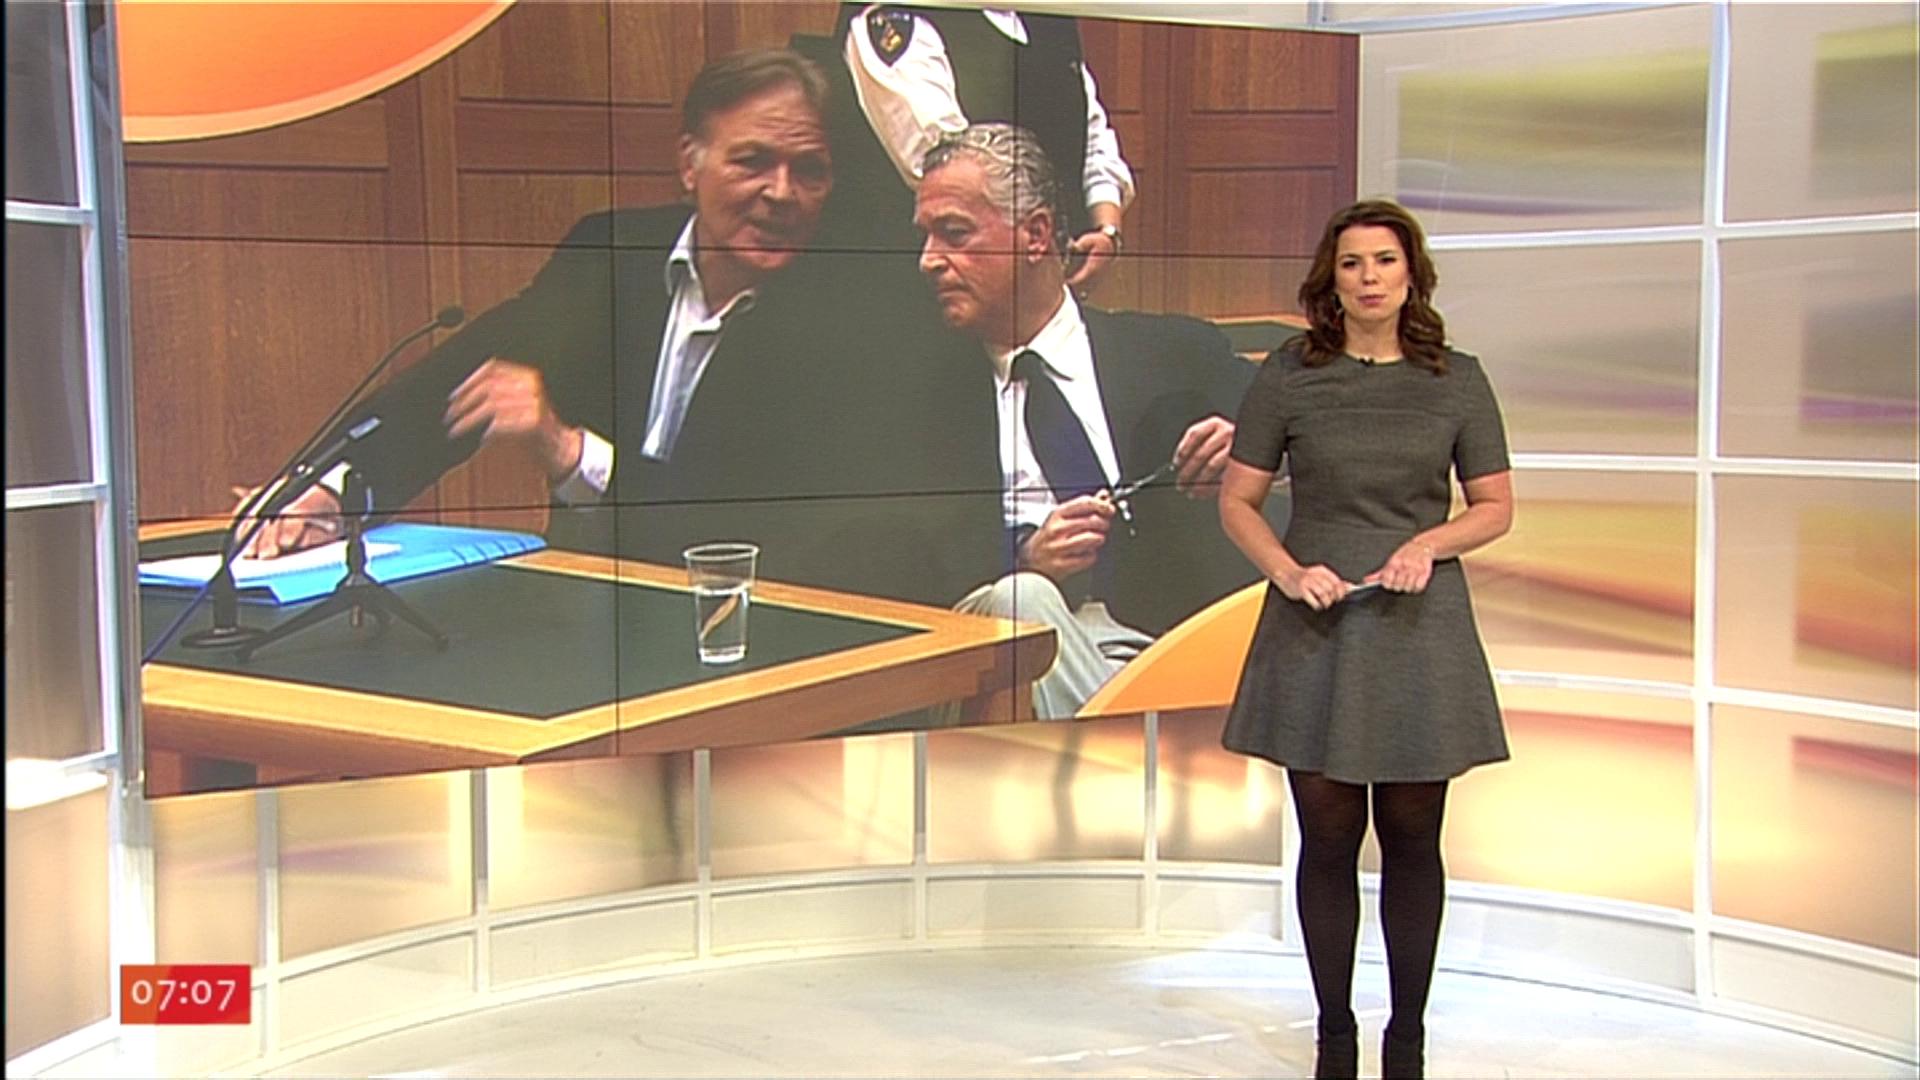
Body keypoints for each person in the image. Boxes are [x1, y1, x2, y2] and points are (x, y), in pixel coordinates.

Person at [241, 48, 997, 607]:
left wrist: (572, 454)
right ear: (689, 164)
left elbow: (748, 525)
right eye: (752, 162)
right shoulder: (612, 251)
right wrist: (332, 490)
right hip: (584, 614)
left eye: (810, 171)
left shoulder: (857, 314)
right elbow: (469, 376)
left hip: (754, 632)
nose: (782, 193)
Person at [1216, 199, 1515, 1079]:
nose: (1369, 277)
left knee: (1415, 836)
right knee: (1329, 837)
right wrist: (1285, 570)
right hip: (1316, 627)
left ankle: (1407, 1039)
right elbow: (1238, 500)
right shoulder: (1290, 374)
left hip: (1419, 626)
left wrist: (1429, 544)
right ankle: (1335, 1037)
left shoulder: (1457, 380)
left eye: (1384, 260)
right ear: (1332, 280)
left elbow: (1495, 506)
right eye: (1352, 263)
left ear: (1411, 274)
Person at [913, 122, 1260, 719]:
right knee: (1023, 602)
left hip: (1162, 644)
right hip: (1000, 637)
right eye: (924, 237)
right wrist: (1025, 557)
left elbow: (1316, 424)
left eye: (955, 233)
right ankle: (1137, 751)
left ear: (1036, 234)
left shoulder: (1174, 351)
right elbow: (900, 557)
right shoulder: (919, 394)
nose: (928, 261)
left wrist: (1254, 445)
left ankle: (1133, 732)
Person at [810, 3, 1133, 293]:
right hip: (927, 295)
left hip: (1044, 288)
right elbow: (950, 168)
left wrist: (1106, 231)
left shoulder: (1049, 17)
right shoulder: (892, 16)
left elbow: (1091, 133)